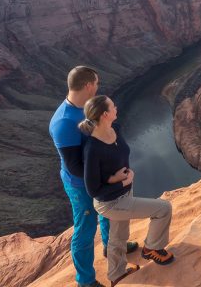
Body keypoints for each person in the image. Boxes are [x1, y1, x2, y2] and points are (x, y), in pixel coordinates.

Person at [49, 66, 138, 287]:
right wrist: (107, 180)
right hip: (80, 185)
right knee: (86, 229)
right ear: (88, 86)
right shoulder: (63, 122)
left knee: (110, 213)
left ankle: (111, 246)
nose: (98, 87)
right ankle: (85, 281)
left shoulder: (87, 108)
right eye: (96, 84)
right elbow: (74, 166)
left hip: (103, 177)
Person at [80, 95, 174, 286]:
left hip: (124, 193)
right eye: (113, 106)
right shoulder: (92, 148)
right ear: (105, 114)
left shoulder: (115, 129)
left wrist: (117, 178)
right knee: (163, 209)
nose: (116, 107)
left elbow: (117, 157)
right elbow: (93, 190)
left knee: (118, 236)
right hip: (111, 202)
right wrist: (120, 183)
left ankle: (116, 275)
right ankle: (152, 249)